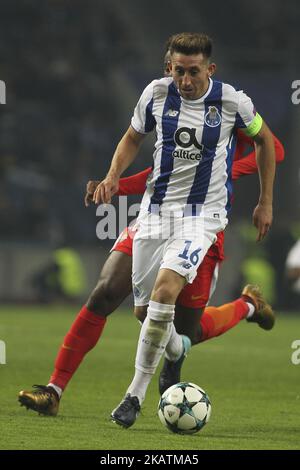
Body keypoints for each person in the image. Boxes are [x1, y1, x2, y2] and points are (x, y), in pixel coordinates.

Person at [18, 34, 280, 420]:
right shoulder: (156, 95)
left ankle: (243, 308)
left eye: (194, 72)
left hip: (202, 220)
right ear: (167, 67)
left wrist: (265, 201)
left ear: (210, 69)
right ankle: (54, 390)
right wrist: (112, 177)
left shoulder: (231, 102)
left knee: (185, 323)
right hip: (154, 215)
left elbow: (269, 143)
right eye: (179, 72)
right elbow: (131, 139)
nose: (186, 81)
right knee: (119, 300)